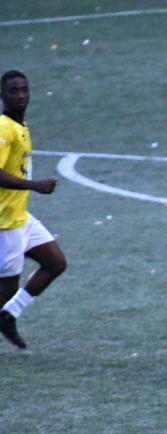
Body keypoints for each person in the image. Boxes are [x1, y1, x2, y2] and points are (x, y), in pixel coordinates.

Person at [0, 70, 66, 349]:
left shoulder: (20, 125)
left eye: (24, 89)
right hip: (5, 222)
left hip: (21, 216)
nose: (21, 95)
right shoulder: (4, 128)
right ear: (2, 95)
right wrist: (35, 186)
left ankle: (8, 316)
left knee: (55, 263)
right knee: (6, 288)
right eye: (14, 91)